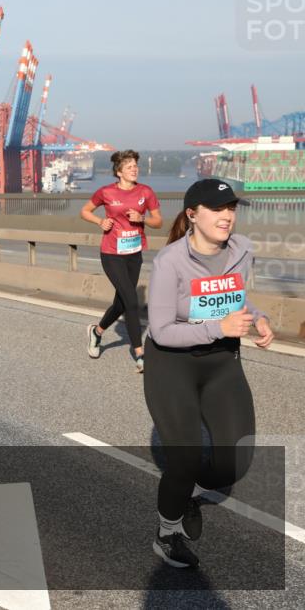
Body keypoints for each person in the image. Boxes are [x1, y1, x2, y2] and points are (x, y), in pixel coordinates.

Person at [143, 178, 273, 569]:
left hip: (222, 361)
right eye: (217, 209)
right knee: (184, 459)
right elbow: (162, 330)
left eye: (231, 207)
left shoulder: (242, 248)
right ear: (192, 214)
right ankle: (167, 534)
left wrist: (258, 318)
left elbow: (235, 297)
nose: (227, 215)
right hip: (172, 364)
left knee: (236, 462)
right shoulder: (170, 261)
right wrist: (219, 327)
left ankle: (188, 490)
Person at [80, 150, 162, 372]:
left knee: (121, 303)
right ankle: (139, 353)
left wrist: (142, 218)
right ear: (119, 172)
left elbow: (158, 222)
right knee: (132, 301)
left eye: (135, 166)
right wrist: (100, 221)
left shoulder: (146, 192)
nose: (134, 169)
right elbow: (85, 211)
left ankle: (96, 331)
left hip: (134, 253)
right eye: (129, 167)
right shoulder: (106, 192)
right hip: (111, 253)